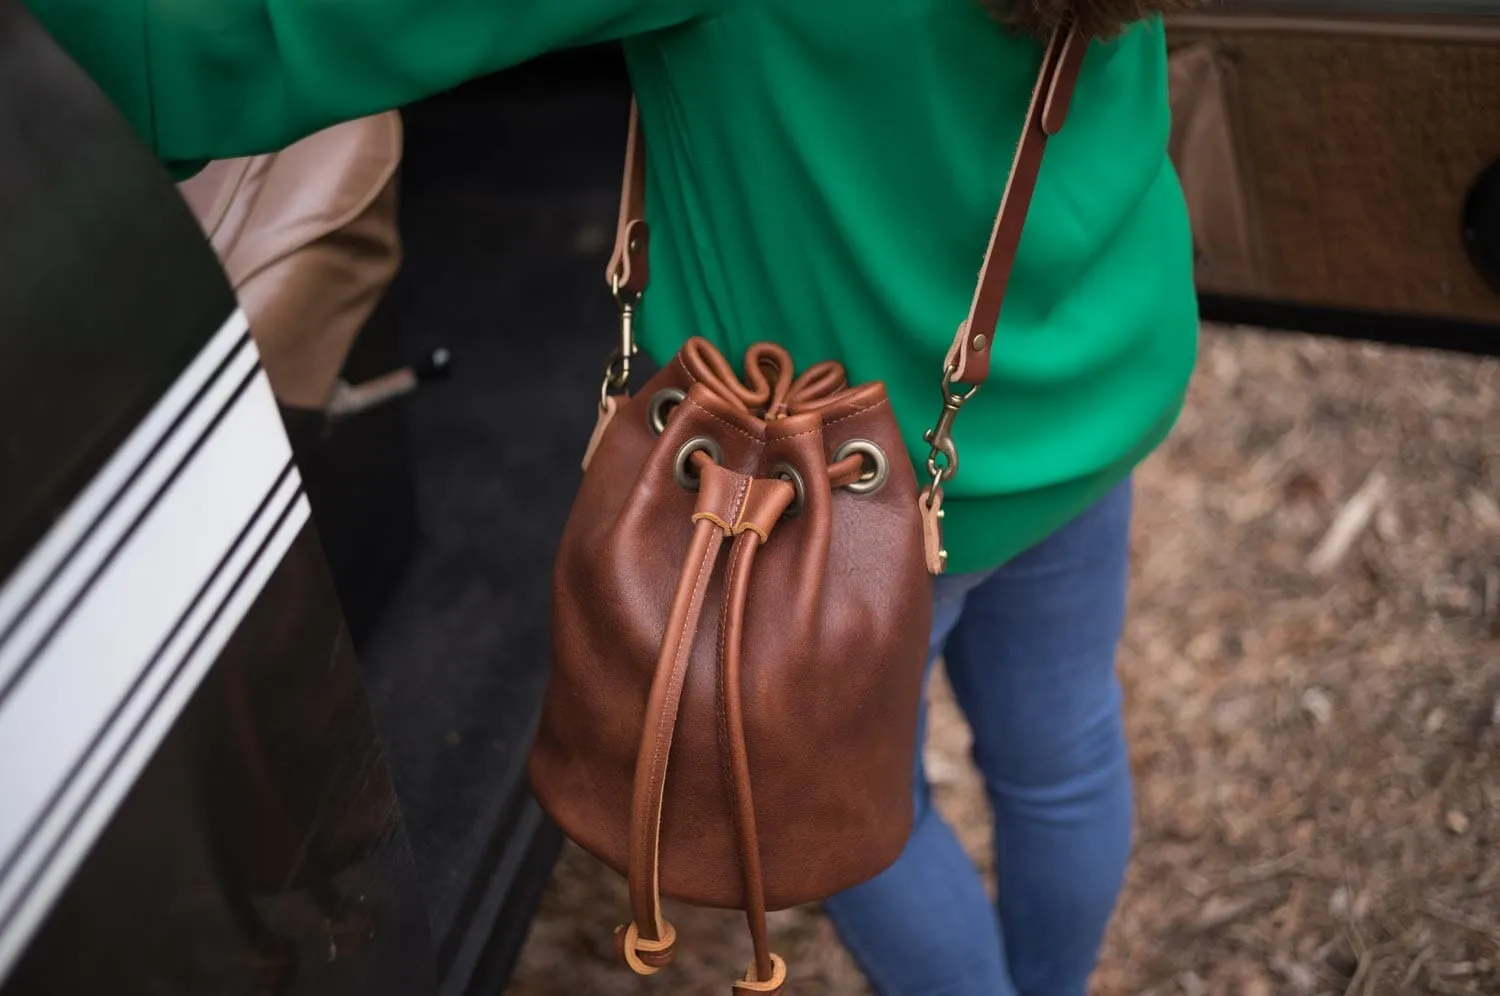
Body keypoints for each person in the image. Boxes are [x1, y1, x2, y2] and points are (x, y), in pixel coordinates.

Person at [24, 0, 1200, 991]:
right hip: (1083, 391)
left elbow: (281, 34)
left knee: (858, 821)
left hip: (827, 501)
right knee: (1064, 744)